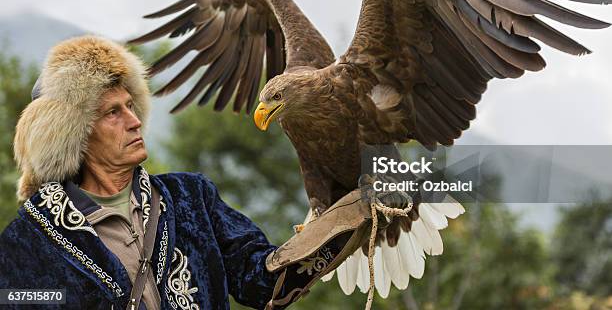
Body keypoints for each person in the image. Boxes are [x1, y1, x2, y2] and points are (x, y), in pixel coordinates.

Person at [0, 35, 373, 309]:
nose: (134, 121)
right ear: (74, 134)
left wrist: (341, 227)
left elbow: (262, 281)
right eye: (113, 112)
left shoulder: (189, 198)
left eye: (132, 105)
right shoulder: (31, 239)